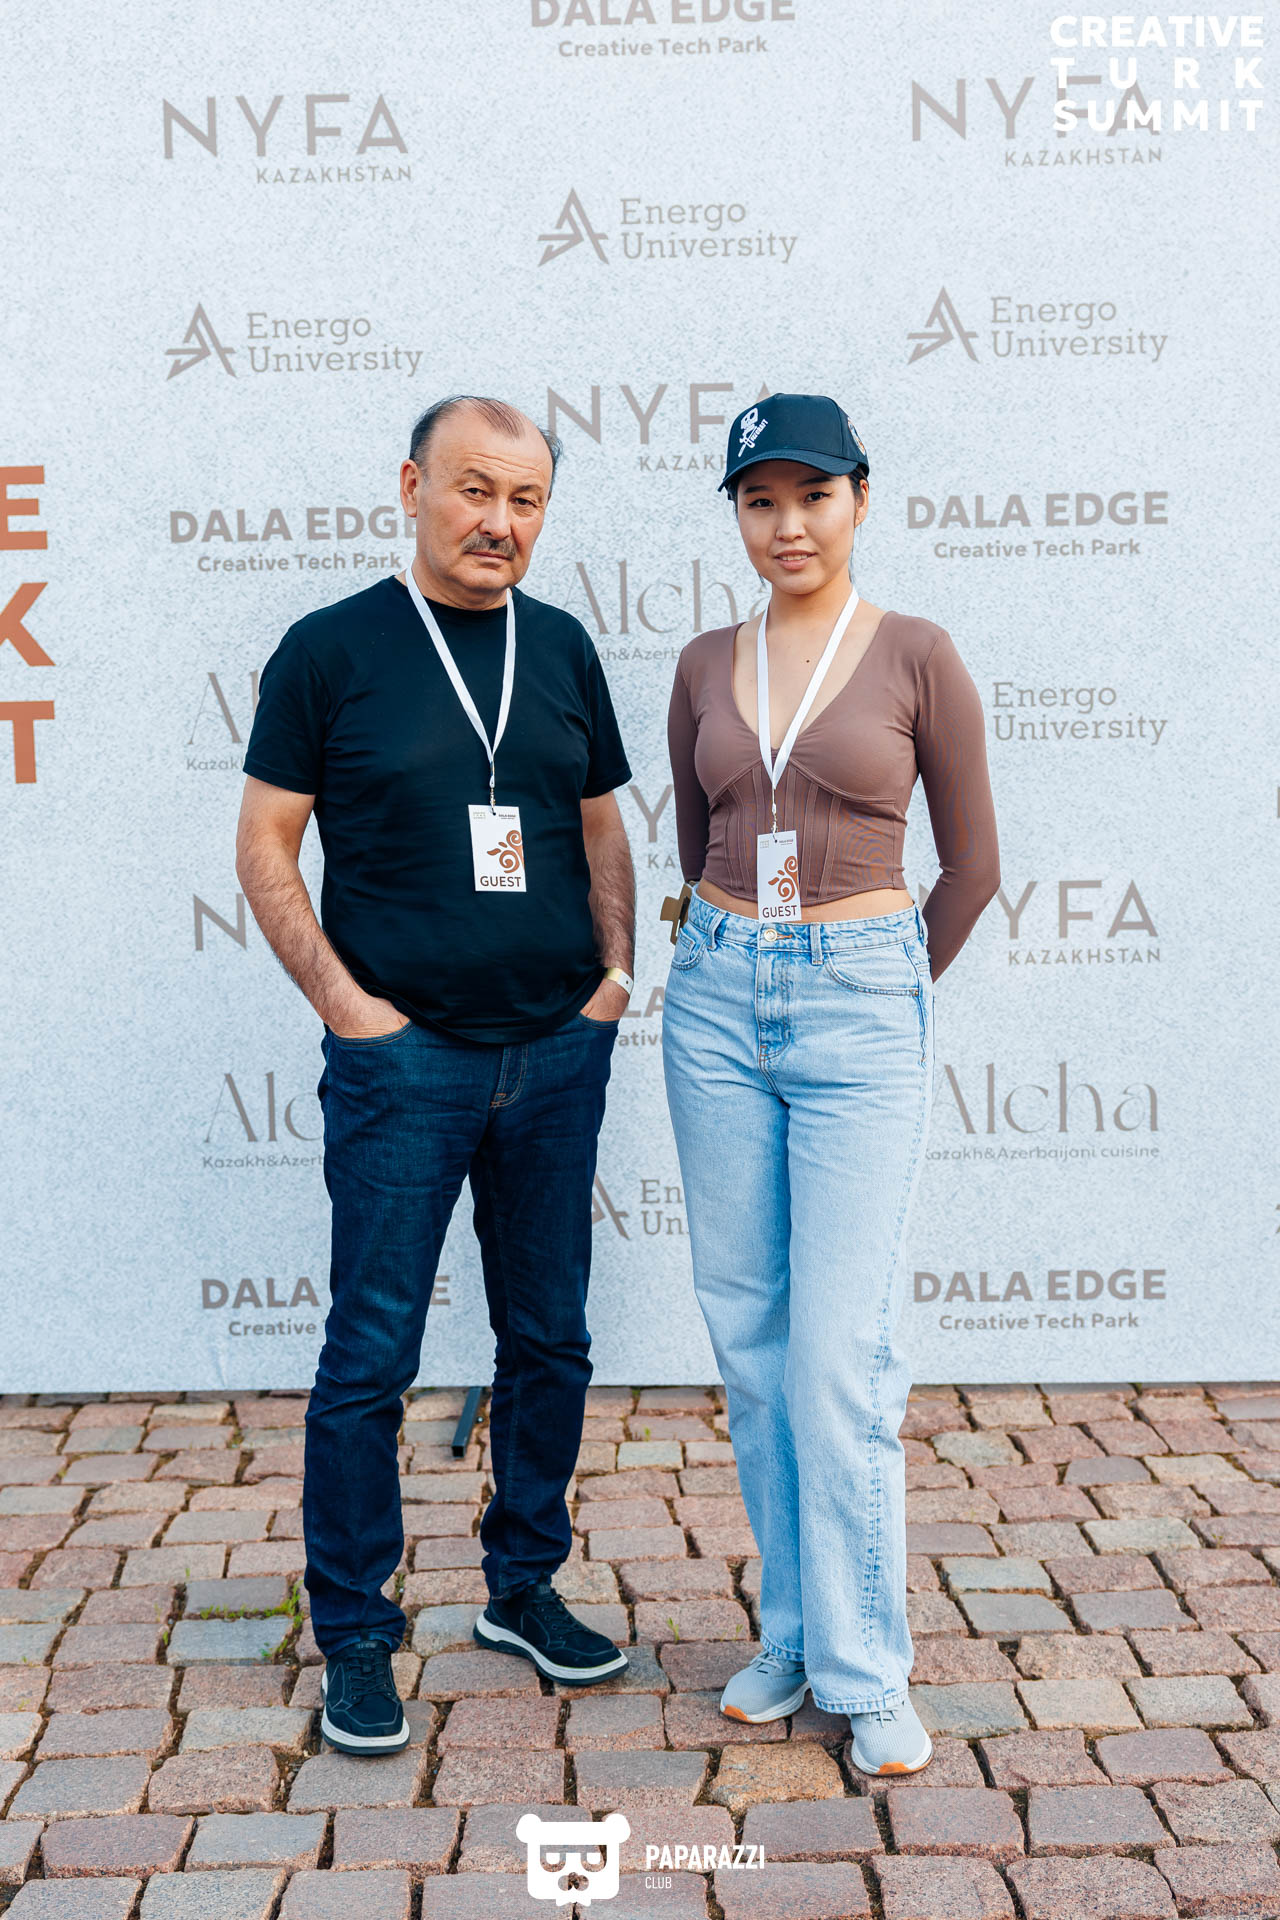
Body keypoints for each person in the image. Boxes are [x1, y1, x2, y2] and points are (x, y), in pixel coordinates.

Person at [236, 395, 637, 1755]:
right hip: (402, 1064)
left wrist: (611, 979)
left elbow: (601, 828)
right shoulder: (329, 649)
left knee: (552, 1338)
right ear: (412, 487)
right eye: (475, 490)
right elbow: (265, 844)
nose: (499, 522)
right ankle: (356, 1633)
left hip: (556, 1052)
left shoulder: (563, 646)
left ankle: (523, 1586)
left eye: (526, 500)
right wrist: (347, 1009)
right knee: (371, 1354)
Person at [663, 394, 999, 1775]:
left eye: (813, 496)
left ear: (861, 498)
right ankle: (794, 1632)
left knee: (837, 1358)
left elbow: (972, 867)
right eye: (761, 501)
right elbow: (698, 839)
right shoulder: (702, 662)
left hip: (859, 1000)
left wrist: (882, 981)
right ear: (737, 516)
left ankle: (868, 1674)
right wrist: (741, 958)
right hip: (714, 1000)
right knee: (751, 1343)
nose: (787, 525)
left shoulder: (917, 653)